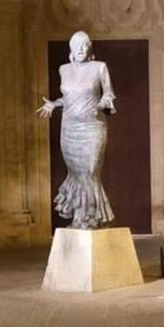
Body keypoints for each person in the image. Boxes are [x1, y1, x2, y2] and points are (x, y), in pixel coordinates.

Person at [37, 31, 116, 229]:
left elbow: (108, 94)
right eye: (77, 45)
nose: (81, 49)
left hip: (92, 127)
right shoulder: (64, 69)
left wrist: (104, 102)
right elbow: (70, 98)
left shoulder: (100, 67)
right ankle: (79, 218)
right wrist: (54, 103)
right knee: (76, 173)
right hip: (69, 129)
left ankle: (92, 217)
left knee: (90, 172)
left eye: (85, 45)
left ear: (90, 48)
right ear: (71, 48)